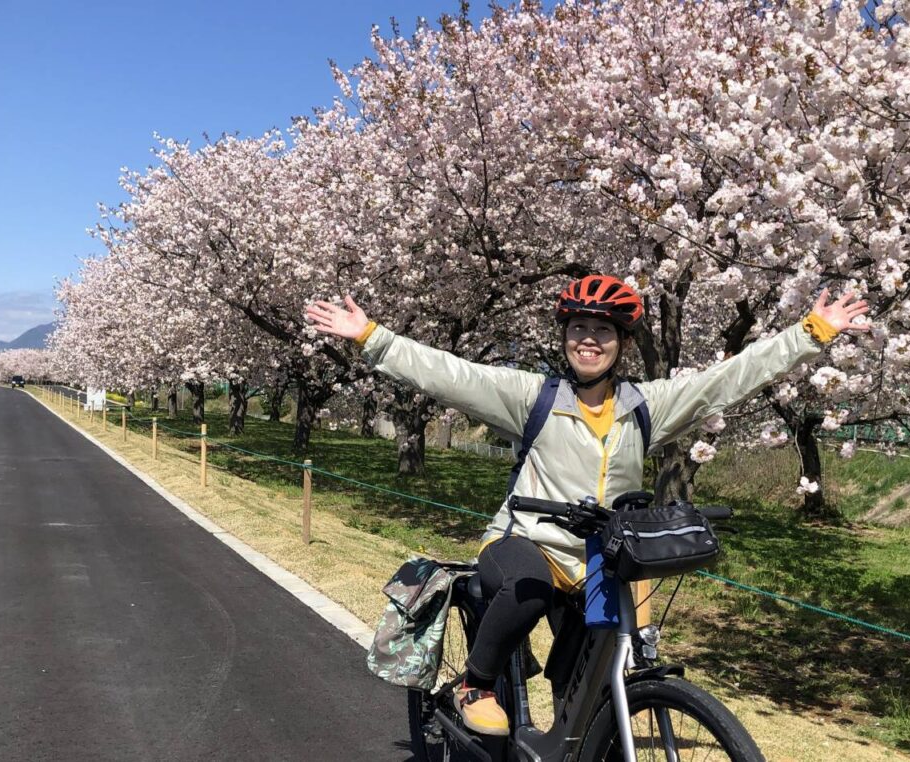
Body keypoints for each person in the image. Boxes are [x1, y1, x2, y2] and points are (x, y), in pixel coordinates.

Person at [306, 275, 870, 736]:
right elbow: (453, 376)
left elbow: (727, 380)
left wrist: (811, 332)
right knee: (527, 586)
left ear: (621, 342)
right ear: (565, 337)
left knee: (592, 681)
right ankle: (474, 682)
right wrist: (372, 338)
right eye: (579, 328)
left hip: (602, 558)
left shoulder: (647, 406)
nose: (589, 340)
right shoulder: (533, 398)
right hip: (527, 541)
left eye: (603, 330)